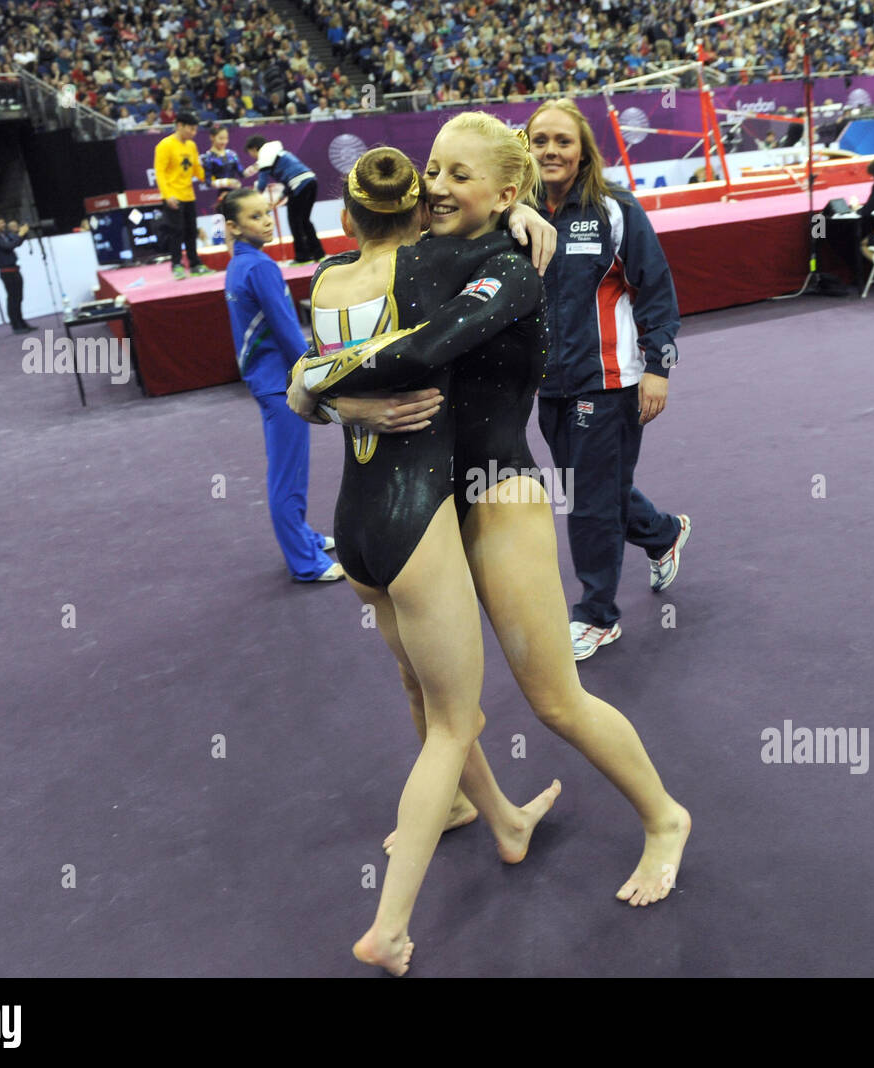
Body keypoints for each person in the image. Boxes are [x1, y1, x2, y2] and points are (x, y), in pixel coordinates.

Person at [291, 117, 690, 973]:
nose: (434, 186)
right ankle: (497, 815)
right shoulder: (420, 261)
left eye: (456, 175)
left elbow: (405, 355)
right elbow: (323, 354)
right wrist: (325, 391)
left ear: (508, 194)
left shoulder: (512, 265)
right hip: (427, 496)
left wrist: (318, 383)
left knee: (554, 700)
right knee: (426, 690)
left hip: (495, 492)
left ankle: (664, 817)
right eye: (432, 168)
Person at [524, 98, 690, 661]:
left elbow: (658, 291)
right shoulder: (517, 215)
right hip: (548, 385)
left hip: (612, 380)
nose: (550, 150)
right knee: (595, 487)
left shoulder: (615, 210)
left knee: (589, 501)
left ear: (582, 150)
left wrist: (658, 369)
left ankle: (597, 615)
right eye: (539, 139)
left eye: (562, 141)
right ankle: (662, 532)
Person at [220, 189, 342, 583]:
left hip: (265, 378)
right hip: (277, 383)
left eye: (267, 213)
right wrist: (317, 373)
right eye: (255, 217)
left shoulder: (240, 265)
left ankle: (303, 535)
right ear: (234, 227)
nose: (267, 221)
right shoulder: (260, 268)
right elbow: (288, 330)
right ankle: (304, 561)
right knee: (288, 475)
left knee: (288, 468)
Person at [244, 135, 324, 265]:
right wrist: (278, 200)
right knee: (304, 221)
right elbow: (290, 181)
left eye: (251, 153)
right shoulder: (278, 152)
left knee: (295, 222)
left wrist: (253, 199)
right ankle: (319, 254)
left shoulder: (264, 154)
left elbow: (262, 182)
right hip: (310, 181)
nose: (252, 156)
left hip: (299, 184)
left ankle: (303, 256)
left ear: (254, 149)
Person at [154, 111, 212, 279]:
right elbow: (160, 173)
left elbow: (197, 169)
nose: (194, 133)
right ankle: (177, 265)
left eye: (195, 130)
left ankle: (195, 264)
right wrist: (167, 195)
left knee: (191, 231)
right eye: (191, 129)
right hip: (173, 195)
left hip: (189, 195)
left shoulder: (191, 146)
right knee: (176, 231)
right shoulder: (165, 145)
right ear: (180, 126)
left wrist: (211, 180)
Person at [0, 214, 32, 333]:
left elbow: (16, 242)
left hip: (14, 268)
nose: (4, 225)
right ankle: (16, 325)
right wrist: (20, 235)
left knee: (19, 297)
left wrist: (23, 233)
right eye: (1, 223)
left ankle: (21, 322)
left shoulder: (4, 234)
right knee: (13, 298)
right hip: (6, 271)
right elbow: (8, 246)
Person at [201, 124, 244, 192]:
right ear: (212, 137)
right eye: (221, 138)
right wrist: (227, 182)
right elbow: (208, 182)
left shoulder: (232, 154)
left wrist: (257, 166)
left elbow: (242, 173)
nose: (224, 142)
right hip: (223, 195)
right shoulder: (208, 158)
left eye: (226, 138)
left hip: (235, 193)